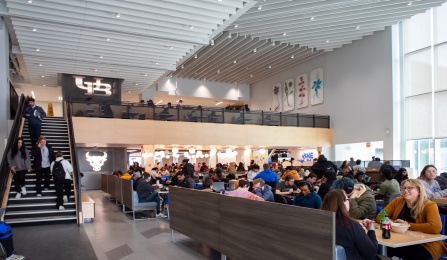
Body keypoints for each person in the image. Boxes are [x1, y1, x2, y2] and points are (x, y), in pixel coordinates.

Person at [377, 179, 447, 260]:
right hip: (400, 240)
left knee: (414, 255)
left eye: (410, 188)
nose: (405, 190)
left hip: (425, 244)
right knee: (376, 249)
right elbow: (380, 217)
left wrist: (407, 226)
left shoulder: (429, 205)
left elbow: (435, 227)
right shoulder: (397, 201)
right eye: (403, 188)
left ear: (419, 191)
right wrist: (396, 224)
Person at [322, 190, 378, 260]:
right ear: (343, 203)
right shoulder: (351, 225)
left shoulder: (319, 223)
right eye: (348, 199)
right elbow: (371, 252)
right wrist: (371, 230)